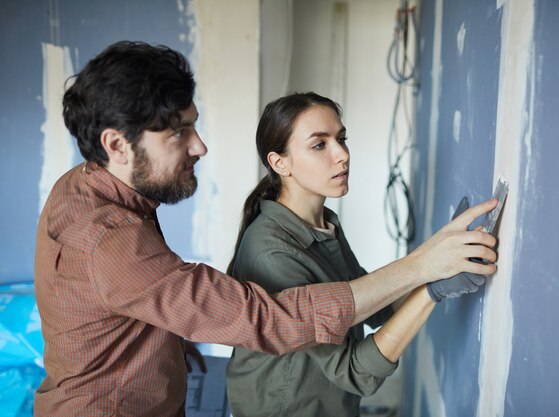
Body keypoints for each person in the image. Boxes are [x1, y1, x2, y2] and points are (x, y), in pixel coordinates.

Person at [33, 41, 497, 417]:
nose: (200, 147)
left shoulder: (93, 185)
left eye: (195, 127)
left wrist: (166, 343)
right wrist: (424, 270)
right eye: (178, 133)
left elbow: (136, 292)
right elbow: (267, 319)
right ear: (116, 145)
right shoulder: (108, 239)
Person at [225, 92, 497, 417]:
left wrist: (439, 265)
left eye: (341, 139)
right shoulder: (271, 252)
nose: (342, 155)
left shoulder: (322, 224)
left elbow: (373, 305)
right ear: (279, 162)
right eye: (319, 144)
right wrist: (430, 285)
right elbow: (355, 371)